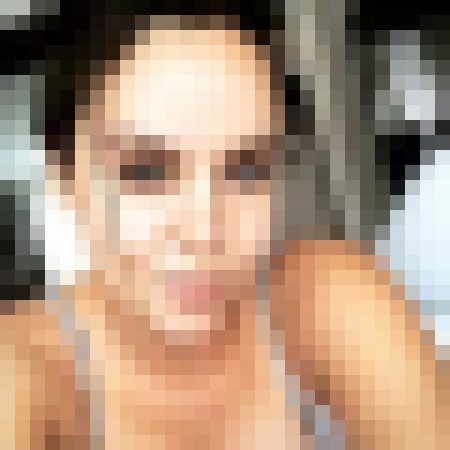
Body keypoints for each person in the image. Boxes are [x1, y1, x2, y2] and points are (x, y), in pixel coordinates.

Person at [1, 3, 448, 449]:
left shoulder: (323, 295)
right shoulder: (21, 371)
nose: (204, 231)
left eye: (248, 170)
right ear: (65, 179)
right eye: (145, 171)